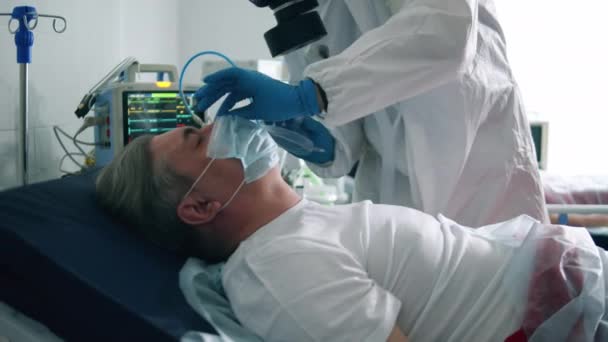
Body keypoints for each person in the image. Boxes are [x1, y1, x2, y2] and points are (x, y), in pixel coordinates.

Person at [96, 123, 607, 342]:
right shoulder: (279, 269)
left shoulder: (299, 226)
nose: (216, 124)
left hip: (571, 292)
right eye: (196, 136)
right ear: (201, 205)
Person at [193, 0, 548, 227]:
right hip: (396, 212)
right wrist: (321, 142)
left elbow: (447, 28)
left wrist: (310, 95)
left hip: (482, 191)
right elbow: (348, 110)